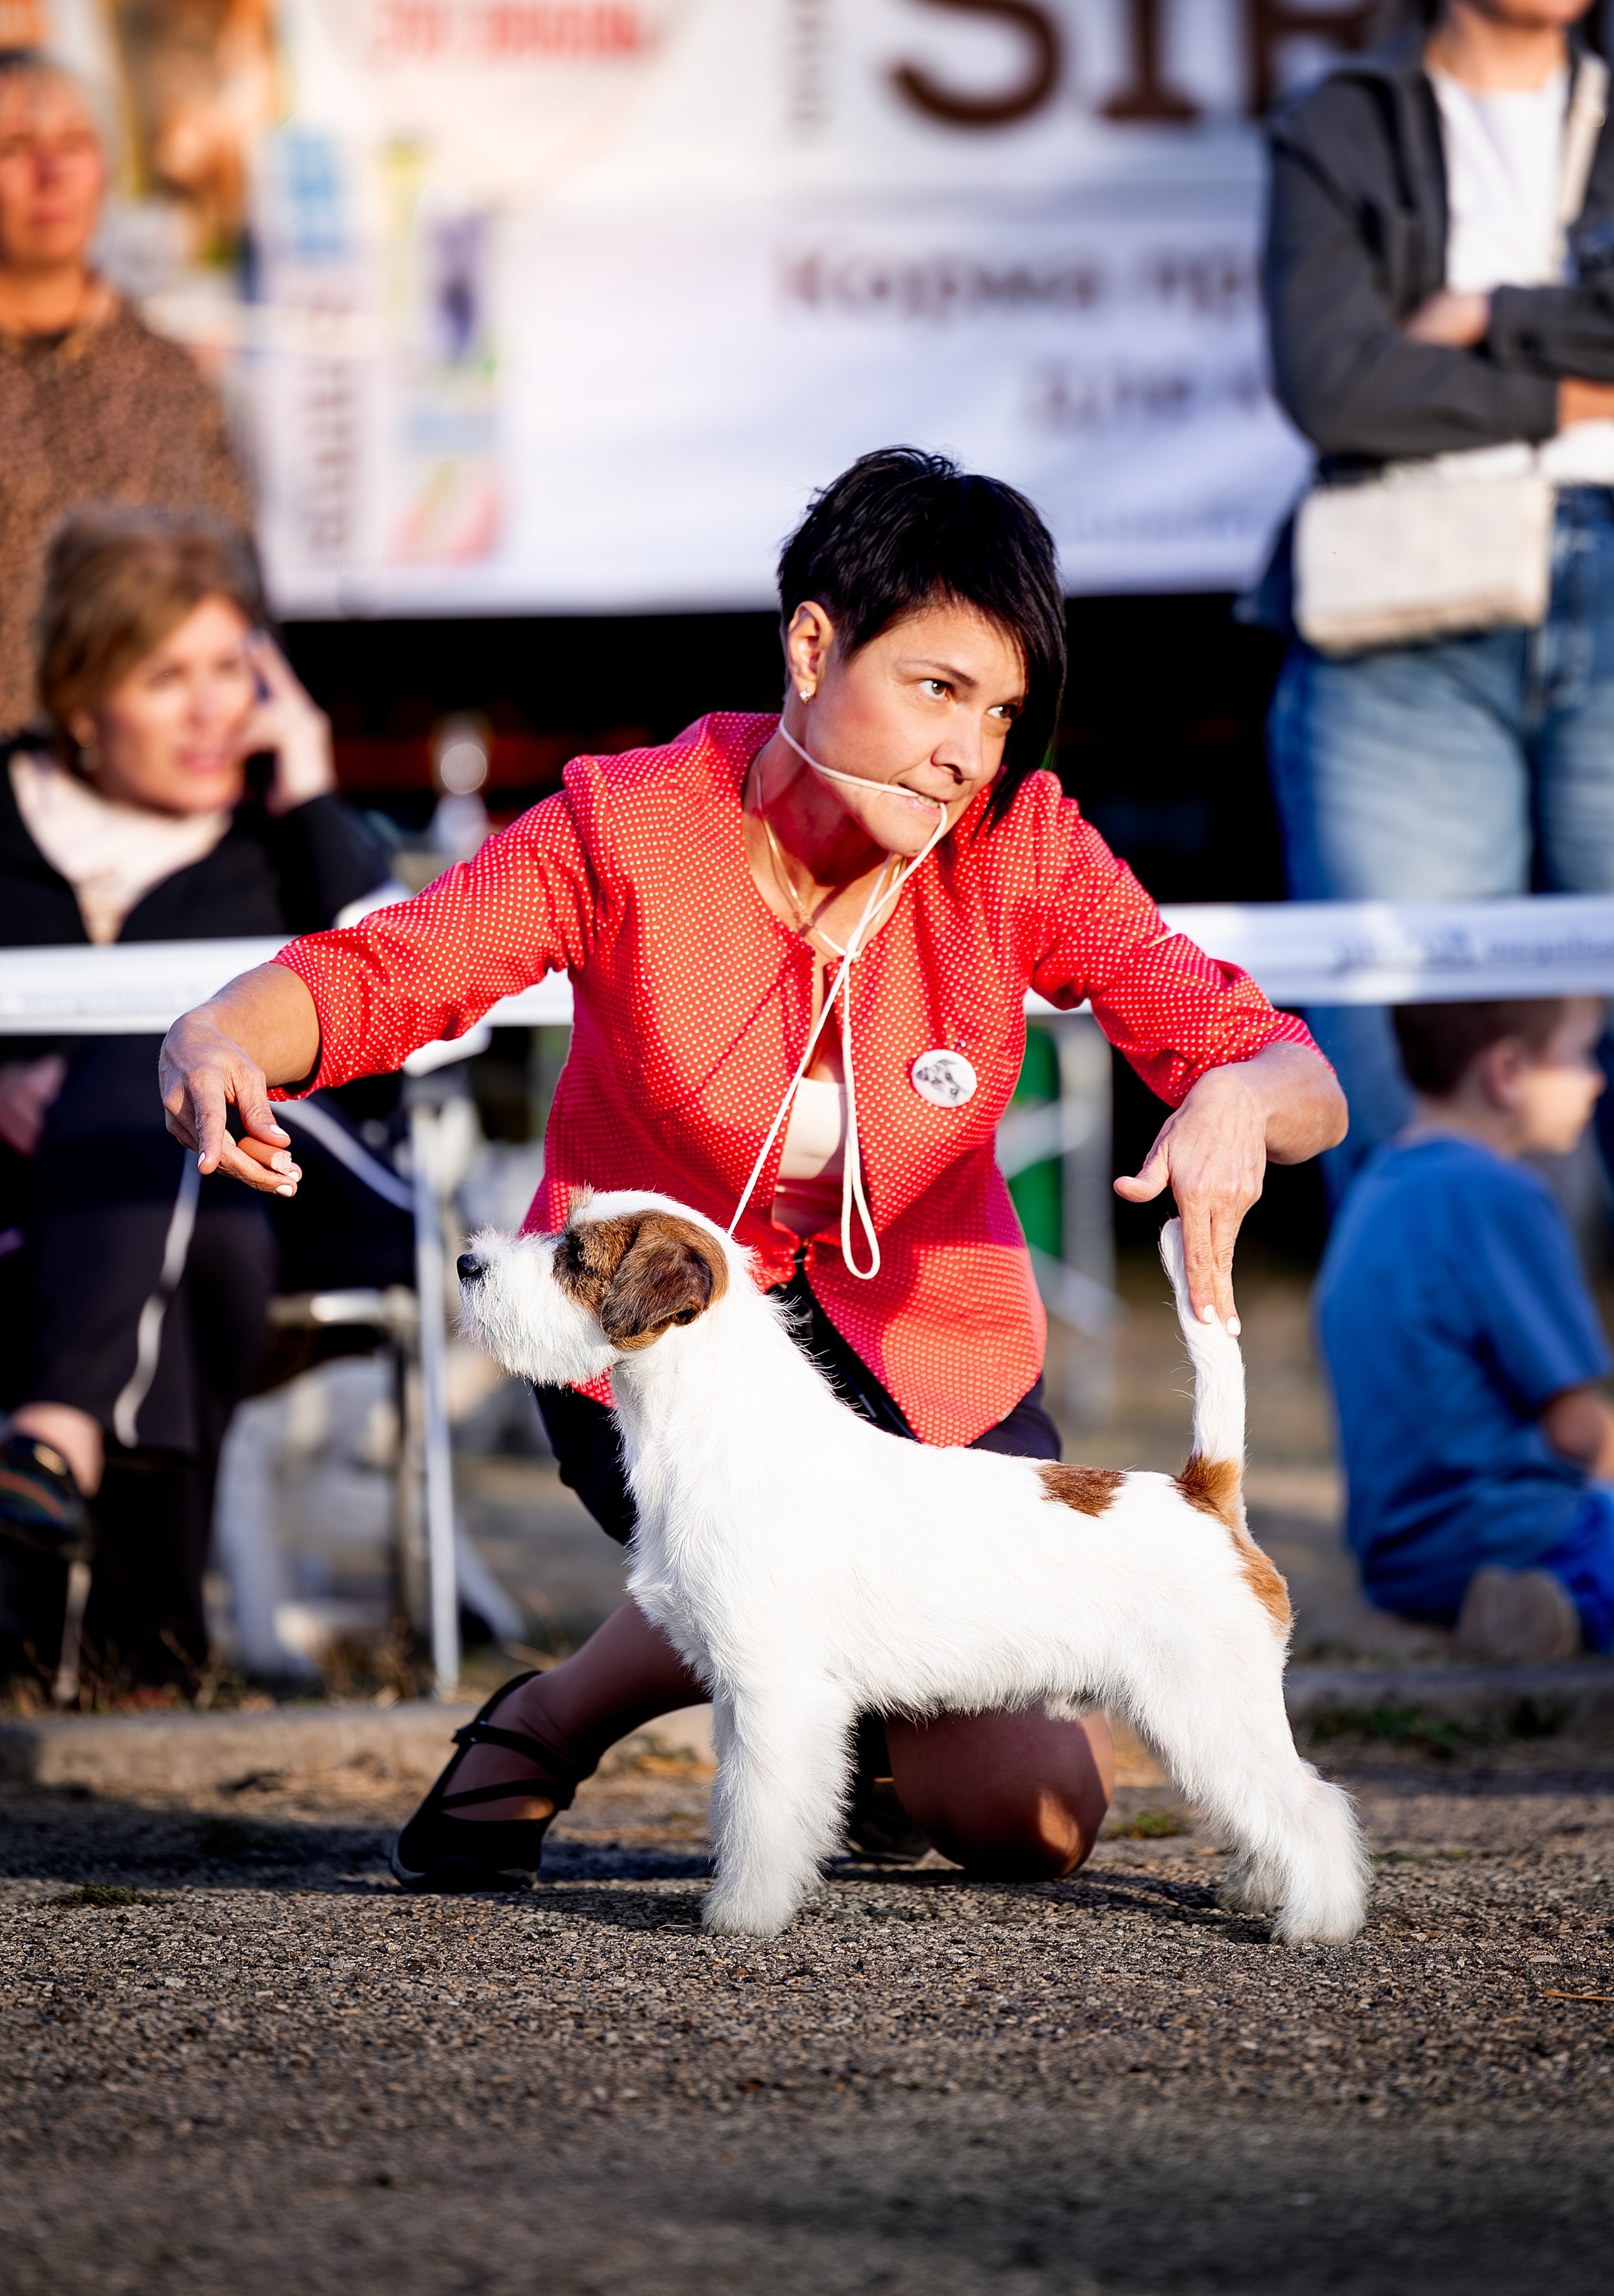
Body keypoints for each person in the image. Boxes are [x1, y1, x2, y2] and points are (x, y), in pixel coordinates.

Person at [159, 448, 1347, 1891]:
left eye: (999, 712)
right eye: (934, 688)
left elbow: (1294, 1075)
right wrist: (228, 1029)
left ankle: (785, 1726)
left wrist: (1237, 1094)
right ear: (810, 646)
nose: (967, 748)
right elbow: (398, 969)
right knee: (752, 1526)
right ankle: (555, 1718)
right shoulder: (627, 824)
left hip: (934, 1372)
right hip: (656, 1348)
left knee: (1026, 1818)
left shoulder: (1017, 844)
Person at [0, 507, 391, 1690]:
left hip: (301, 1171)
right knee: (200, 1221)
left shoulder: (280, 842)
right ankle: (147, 1651)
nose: (217, 707)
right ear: (80, 701)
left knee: (170, 1055)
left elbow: (411, 988)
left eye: (234, 667)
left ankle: (49, 1439)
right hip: (102, 1202)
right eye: (169, 676)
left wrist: (316, 786)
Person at [1253, 0, 1614, 1193]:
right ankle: (1475, 1381)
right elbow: (1338, 383)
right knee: (1417, 1074)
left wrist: (1491, 316)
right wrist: (1574, 398)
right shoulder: (1340, 120)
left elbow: (1384, 367)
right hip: (1407, 610)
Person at [1316, 995, 1614, 1661]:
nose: (1595, 1078)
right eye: (1575, 1055)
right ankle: (1554, 1605)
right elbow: (1576, 1428)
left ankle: (1524, 1612)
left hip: (1396, 1560)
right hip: (1512, 1532)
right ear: (1506, 1070)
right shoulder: (1500, 1193)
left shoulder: (1375, 1180)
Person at [0, 50, 250, 739]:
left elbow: (237, 588)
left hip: (151, 779)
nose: (50, 176)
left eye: (74, 145)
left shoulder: (168, 378)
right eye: (15, 149)